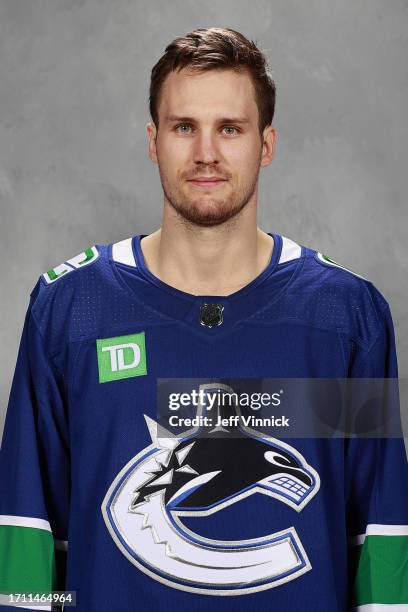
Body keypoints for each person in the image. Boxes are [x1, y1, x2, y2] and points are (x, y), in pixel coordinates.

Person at [0, 27, 407, 612]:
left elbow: (381, 537)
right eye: (184, 126)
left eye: (230, 128)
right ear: (153, 140)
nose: (206, 153)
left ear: (266, 144)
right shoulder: (70, 310)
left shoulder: (345, 317)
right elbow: (28, 533)